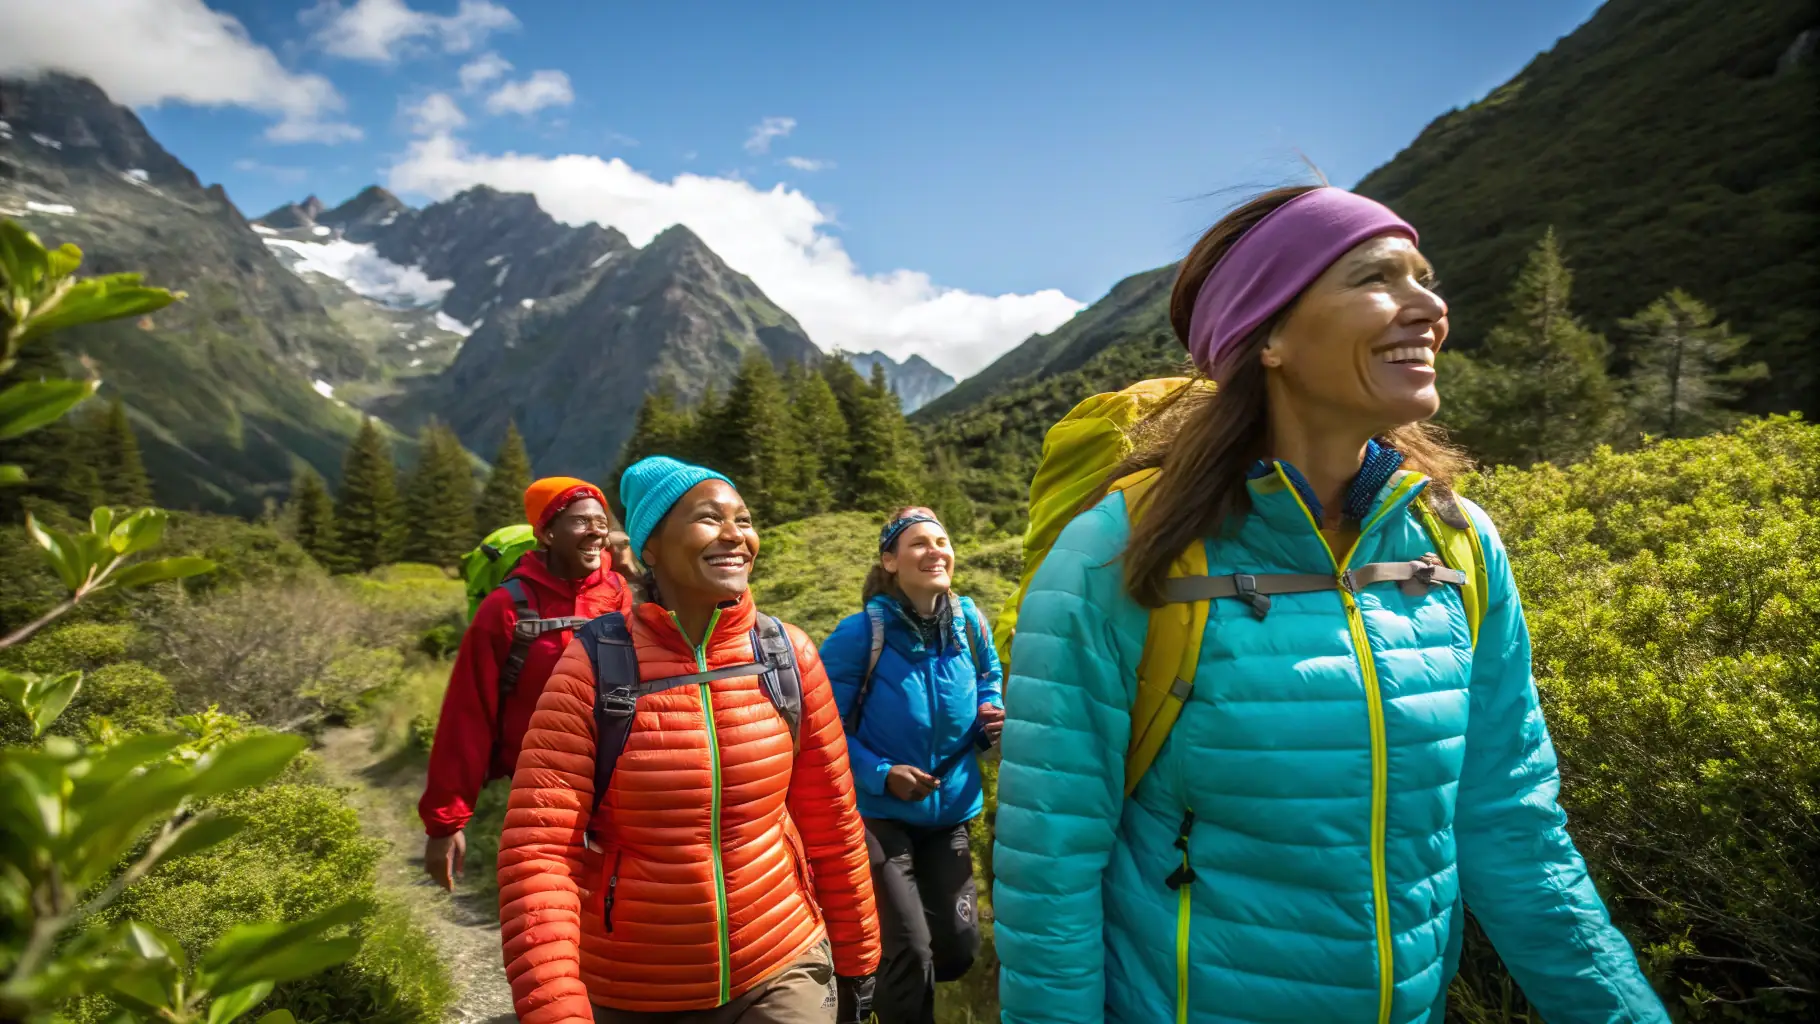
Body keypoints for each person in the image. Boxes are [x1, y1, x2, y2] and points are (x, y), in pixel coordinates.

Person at [991, 186, 1669, 1023]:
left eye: (1425, 278)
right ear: (1269, 335)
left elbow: (1514, 829)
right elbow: (1047, 872)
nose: (1430, 307)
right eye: (1378, 278)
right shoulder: (1121, 553)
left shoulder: (1457, 544)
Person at [498, 456, 881, 1024]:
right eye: (709, 519)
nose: (736, 536)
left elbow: (832, 823)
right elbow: (540, 855)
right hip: (634, 986)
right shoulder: (595, 668)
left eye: (744, 520)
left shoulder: (786, 655)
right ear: (651, 546)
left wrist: (859, 963)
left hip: (781, 961)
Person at [820, 507, 1005, 1024]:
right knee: (912, 955)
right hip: (879, 817)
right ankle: (877, 988)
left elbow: (989, 676)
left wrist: (991, 713)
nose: (935, 552)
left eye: (942, 542)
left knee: (957, 949)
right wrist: (881, 773)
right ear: (890, 560)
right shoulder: (861, 634)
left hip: (950, 813)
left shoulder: (969, 621)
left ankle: (864, 977)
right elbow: (823, 726)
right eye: (918, 543)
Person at [419, 476, 634, 890]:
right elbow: (468, 716)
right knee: (545, 909)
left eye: (600, 521)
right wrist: (445, 821)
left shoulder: (620, 593)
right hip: (541, 791)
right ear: (547, 533)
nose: (595, 531)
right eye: (579, 522)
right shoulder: (505, 608)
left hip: (622, 791)